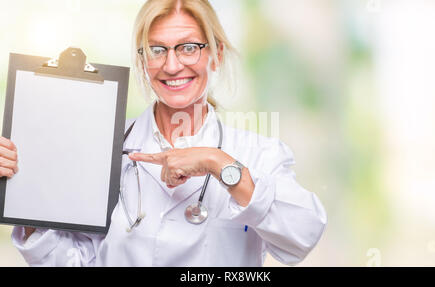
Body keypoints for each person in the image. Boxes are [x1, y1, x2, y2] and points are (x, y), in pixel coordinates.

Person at [1, 0, 327, 266]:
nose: (172, 66)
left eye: (188, 48)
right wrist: (26, 194)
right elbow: (76, 262)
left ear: (216, 55)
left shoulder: (257, 153)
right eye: (157, 50)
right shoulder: (103, 144)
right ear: (143, 62)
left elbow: (303, 235)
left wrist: (217, 162)